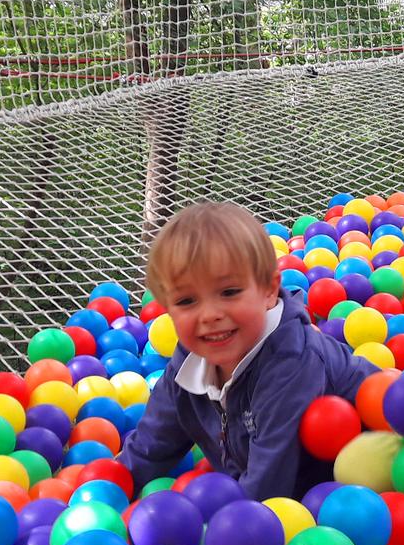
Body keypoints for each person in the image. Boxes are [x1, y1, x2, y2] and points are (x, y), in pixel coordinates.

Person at [117, 202, 378, 499]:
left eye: (229, 292)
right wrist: (110, 493)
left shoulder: (290, 363)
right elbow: (151, 446)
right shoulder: (186, 365)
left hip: (365, 484)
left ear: (268, 290)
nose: (209, 314)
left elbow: (268, 489)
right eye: (187, 301)